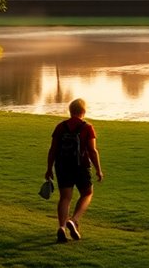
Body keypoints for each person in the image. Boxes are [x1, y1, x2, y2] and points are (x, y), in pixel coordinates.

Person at [45, 98, 103, 243]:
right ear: (84, 111)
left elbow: (53, 149)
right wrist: (98, 170)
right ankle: (74, 220)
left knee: (65, 197)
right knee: (87, 193)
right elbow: (92, 150)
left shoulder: (60, 127)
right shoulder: (87, 127)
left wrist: (49, 168)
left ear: (70, 111)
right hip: (81, 166)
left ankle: (62, 227)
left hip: (62, 166)